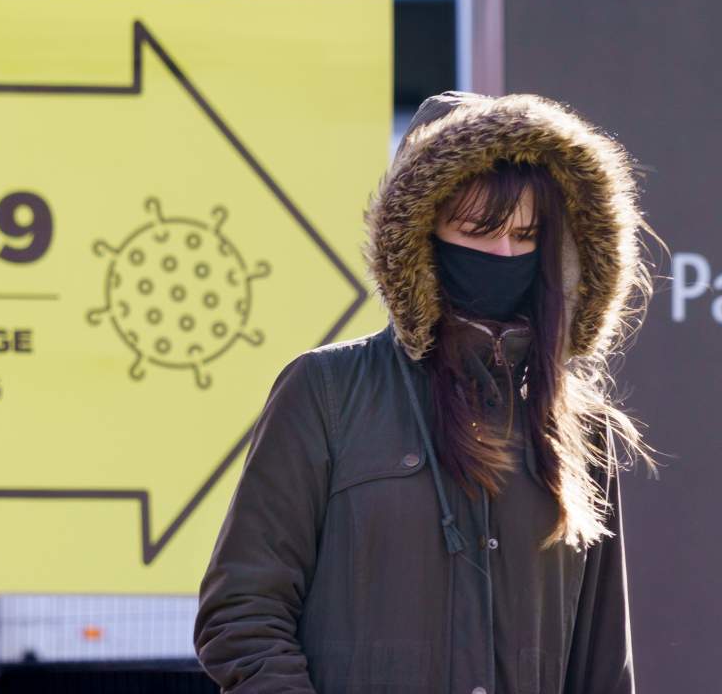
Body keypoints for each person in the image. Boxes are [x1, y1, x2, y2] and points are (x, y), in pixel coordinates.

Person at [192, 91, 663, 694]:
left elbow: (603, 665)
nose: (502, 254)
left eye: (526, 236)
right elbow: (243, 614)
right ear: (420, 235)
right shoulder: (325, 392)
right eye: (477, 230)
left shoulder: (582, 429)